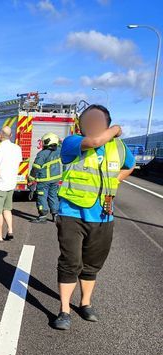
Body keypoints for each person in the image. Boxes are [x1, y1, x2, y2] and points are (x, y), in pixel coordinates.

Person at [52, 104, 135, 331]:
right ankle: (64, 310)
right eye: (89, 121)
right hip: (72, 213)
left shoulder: (118, 146)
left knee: (92, 265)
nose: (93, 125)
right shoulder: (72, 142)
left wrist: (115, 180)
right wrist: (116, 128)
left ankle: (85, 303)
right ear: (81, 125)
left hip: (103, 216)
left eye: (99, 121)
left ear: (105, 124)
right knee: (70, 262)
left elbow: (131, 165)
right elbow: (97, 142)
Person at [28, 132, 62, 223]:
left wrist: (31, 179)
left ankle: (43, 216)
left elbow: (36, 168)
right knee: (53, 196)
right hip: (55, 179)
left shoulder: (42, 154)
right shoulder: (59, 150)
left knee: (41, 197)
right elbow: (62, 144)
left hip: (43, 180)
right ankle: (55, 215)